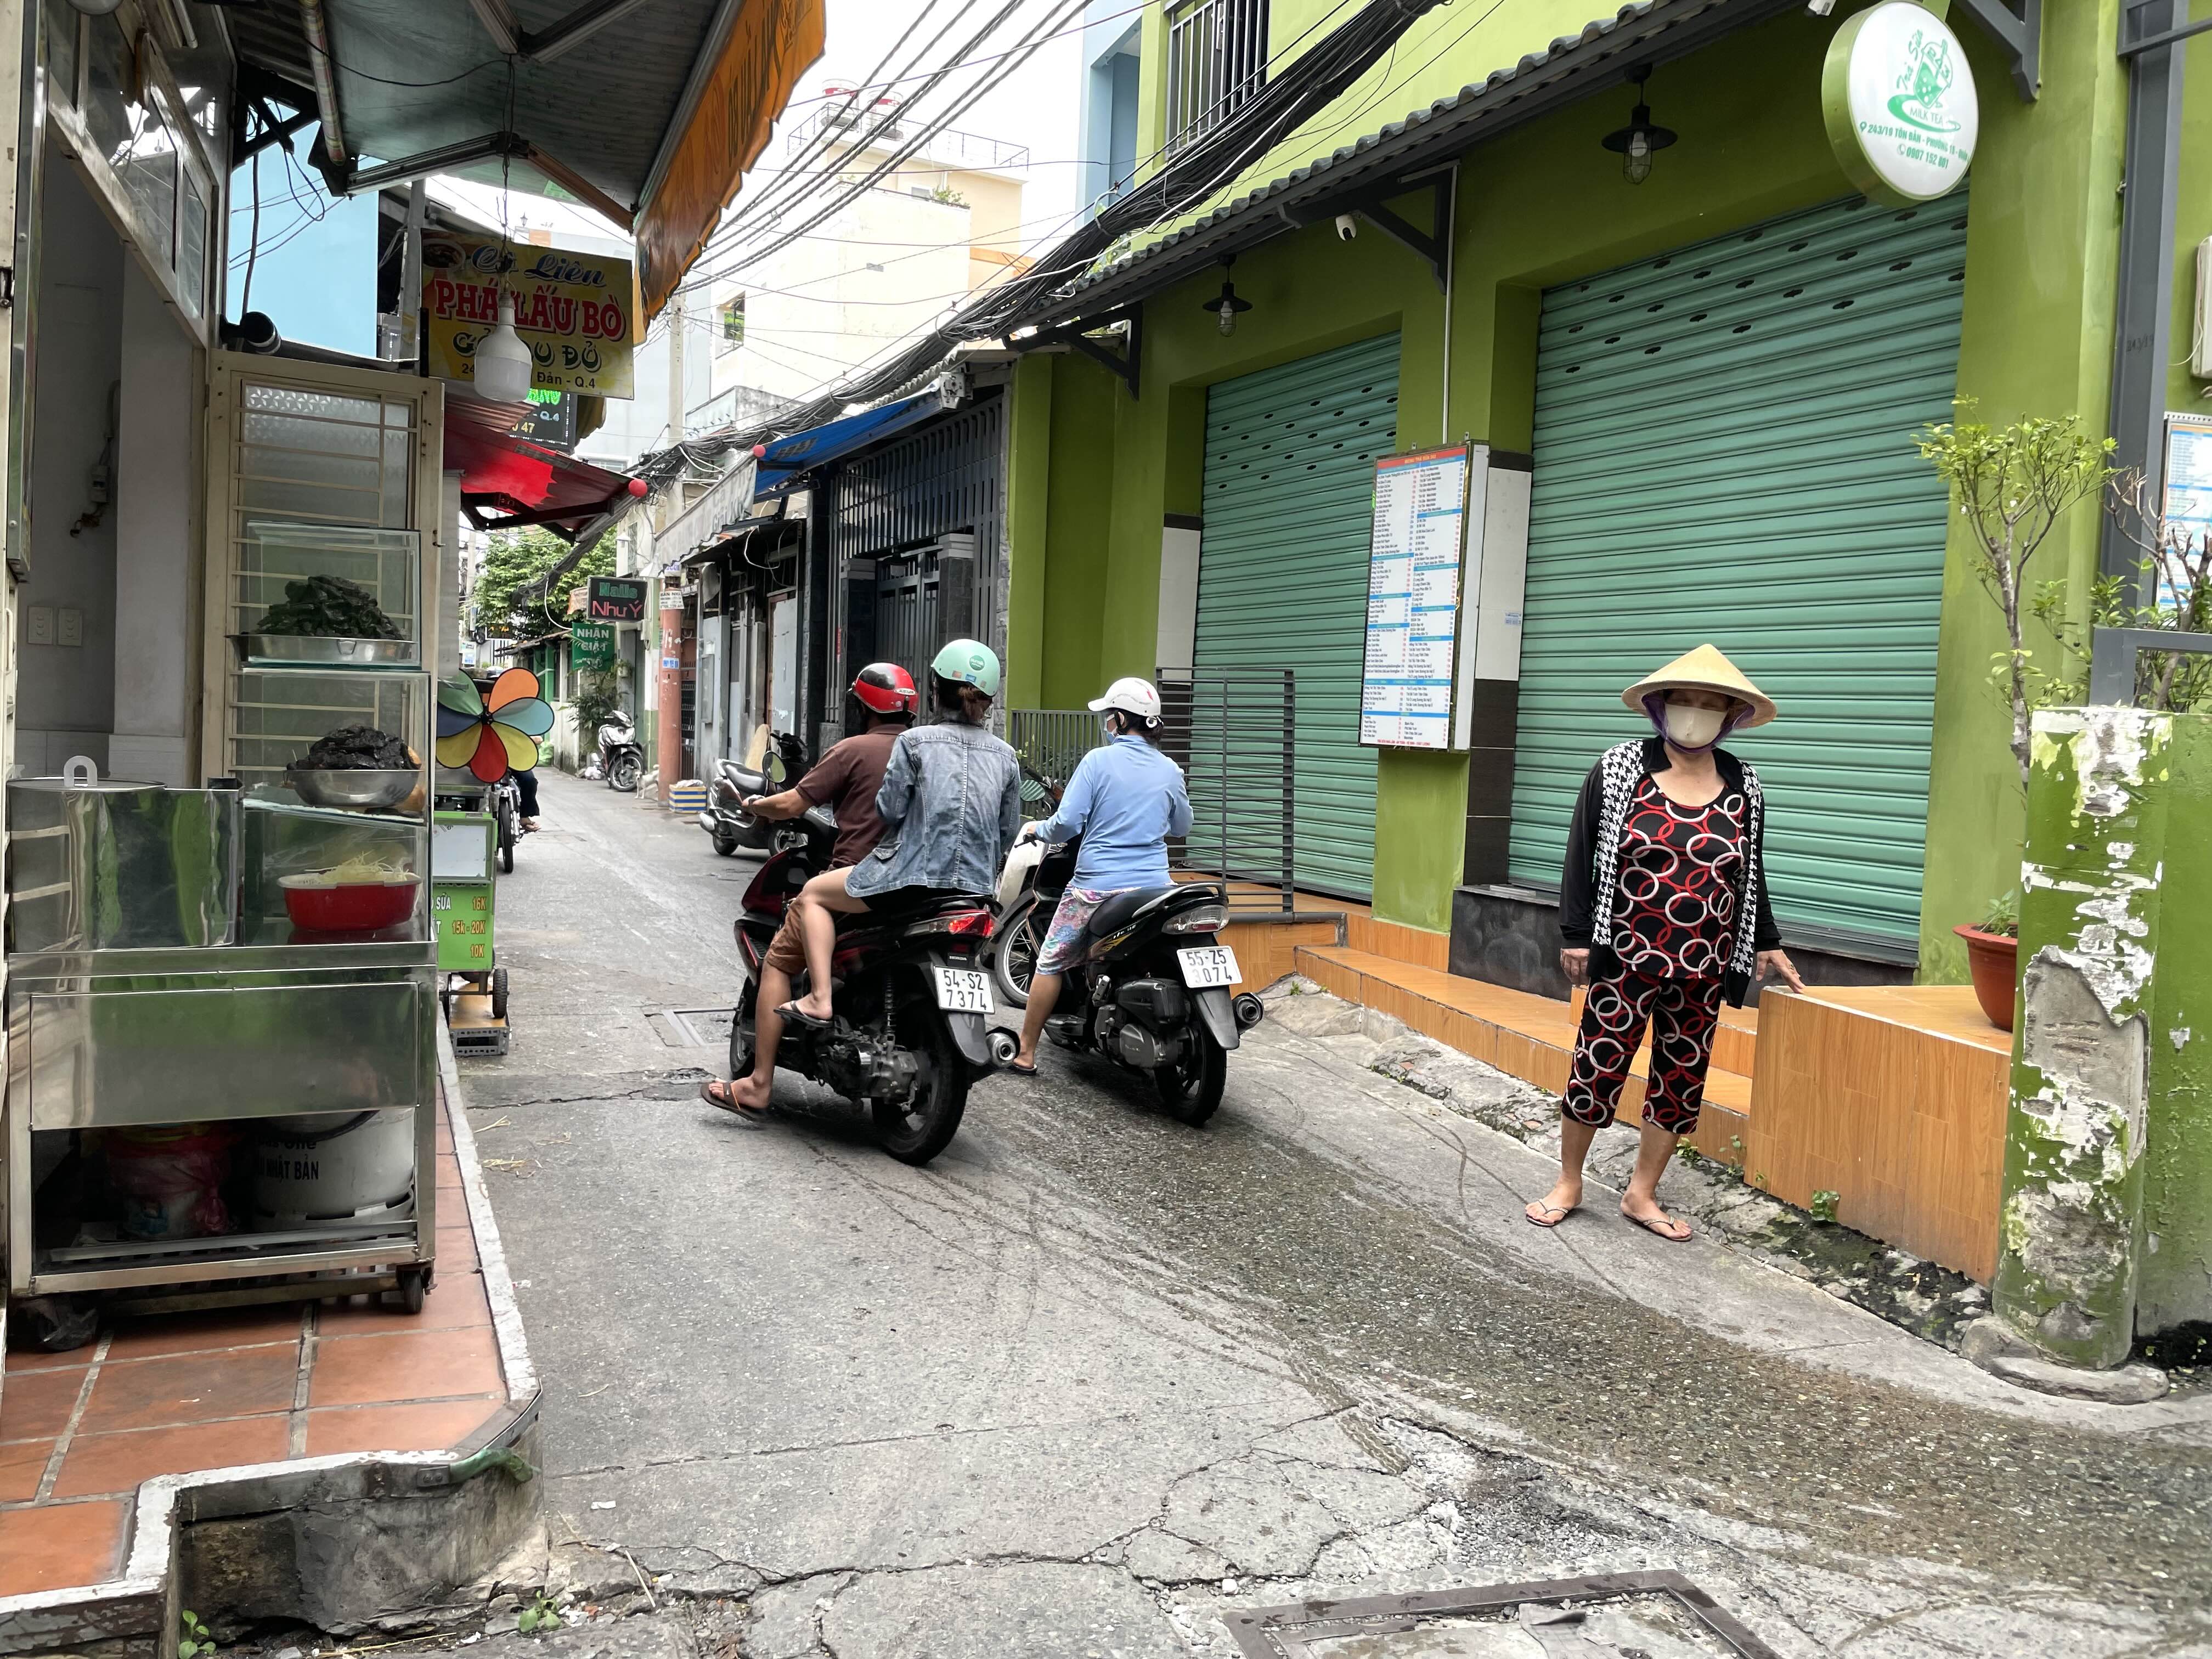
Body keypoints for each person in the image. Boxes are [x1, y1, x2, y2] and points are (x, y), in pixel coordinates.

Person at [1525, 644, 1804, 1243]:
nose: (1696, 713)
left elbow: (1750, 872)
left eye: (1711, 704)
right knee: (1597, 1066)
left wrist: (1767, 940)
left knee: (1681, 1081)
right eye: (1685, 700)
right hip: (1625, 954)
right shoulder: (1621, 767)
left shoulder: (1743, 783)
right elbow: (1580, 851)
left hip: (1706, 963)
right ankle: (1569, 1182)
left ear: (1731, 716)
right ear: (1660, 706)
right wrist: (1575, 935)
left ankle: (1641, 1193)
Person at [701, 664, 919, 1124]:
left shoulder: (852, 750)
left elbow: (793, 803)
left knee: (779, 961)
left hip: (859, 881)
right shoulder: (925, 750)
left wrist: (753, 804)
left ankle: (759, 1084)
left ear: (862, 709)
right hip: (918, 886)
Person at [776, 640, 1023, 1026]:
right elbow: (1007, 831)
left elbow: (890, 811)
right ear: (988, 701)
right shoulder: (1006, 756)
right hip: (974, 892)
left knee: (813, 896)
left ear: (935, 691)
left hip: (909, 883)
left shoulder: (914, 741)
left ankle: (820, 998)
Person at [1008, 678, 1192, 1076]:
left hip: (1097, 887)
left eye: (1110, 716)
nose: (1107, 723)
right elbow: (1182, 826)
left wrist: (1037, 829)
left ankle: (1025, 1052)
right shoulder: (1170, 769)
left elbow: (1067, 824)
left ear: (1121, 720)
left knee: (1050, 961)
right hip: (1156, 889)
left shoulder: (1097, 762)